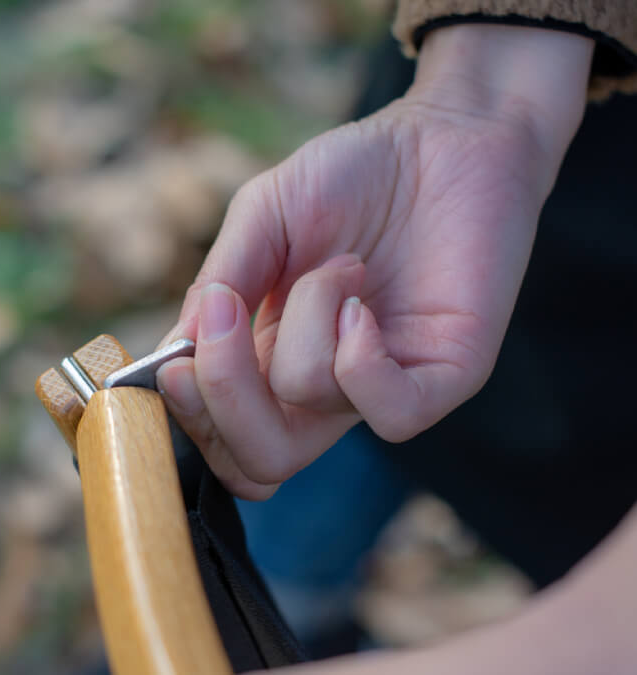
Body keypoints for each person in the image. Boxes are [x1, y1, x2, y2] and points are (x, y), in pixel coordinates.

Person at [155, 1, 637, 673]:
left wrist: (576, 644)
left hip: (608, 463)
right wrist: (478, 93)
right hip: (405, 250)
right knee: (288, 453)